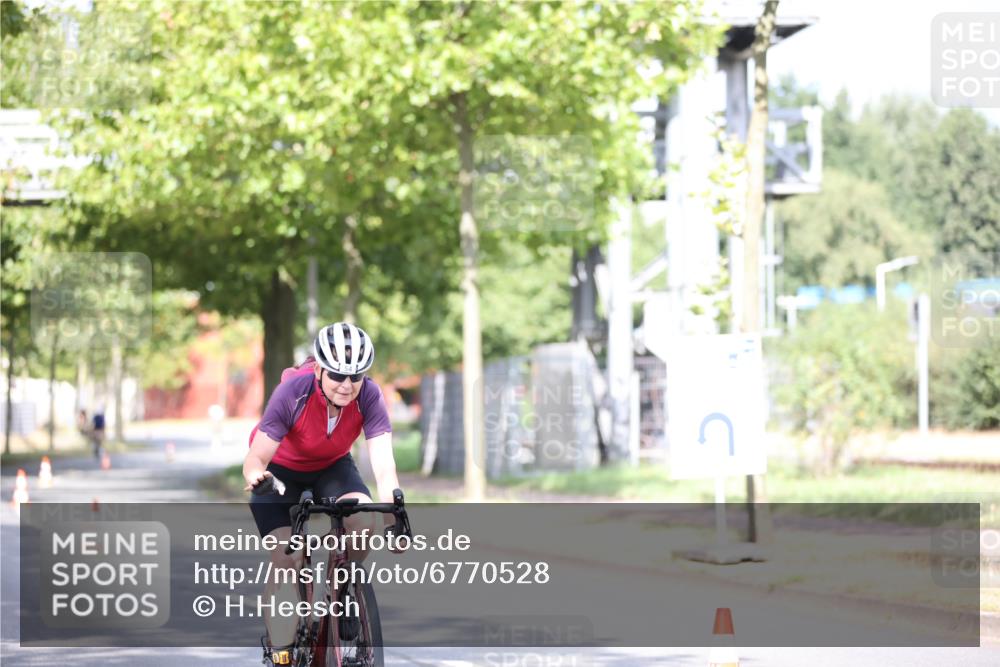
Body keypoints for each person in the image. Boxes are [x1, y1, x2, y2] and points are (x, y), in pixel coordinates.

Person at [242, 322, 404, 660]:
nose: (347, 385)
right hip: (280, 471)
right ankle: (282, 650)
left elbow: (384, 465)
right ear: (318, 369)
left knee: (363, 523)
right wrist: (258, 476)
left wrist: (394, 520)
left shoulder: (370, 396)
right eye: (337, 376)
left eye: (355, 377)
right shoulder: (293, 393)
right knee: (288, 557)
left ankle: (342, 590)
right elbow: (255, 458)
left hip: (331, 468)